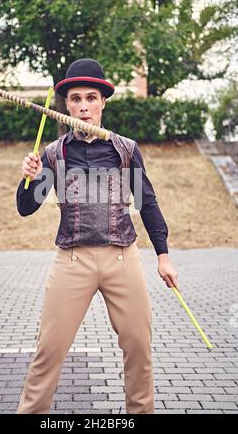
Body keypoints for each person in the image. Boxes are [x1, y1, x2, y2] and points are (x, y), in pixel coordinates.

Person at [16, 58, 178, 414]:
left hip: (123, 258)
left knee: (139, 348)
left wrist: (163, 255)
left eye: (91, 97)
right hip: (72, 261)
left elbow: (146, 203)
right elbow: (27, 207)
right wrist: (29, 177)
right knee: (49, 351)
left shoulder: (125, 150)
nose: (84, 106)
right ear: (67, 105)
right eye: (76, 99)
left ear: (103, 101)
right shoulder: (54, 154)